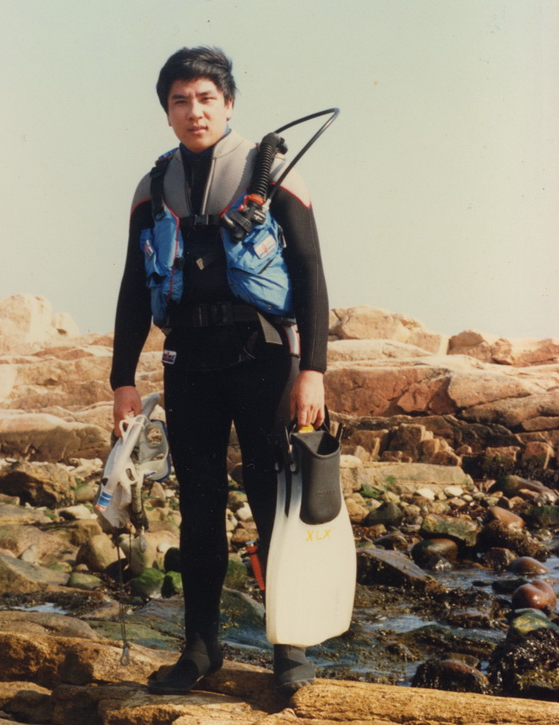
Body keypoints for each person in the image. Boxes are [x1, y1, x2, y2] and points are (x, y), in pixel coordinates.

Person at [110, 46, 329, 695]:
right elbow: (133, 288)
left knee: (272, 499)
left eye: (206, 98)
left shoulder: (273, 171)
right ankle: (201, 648)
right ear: (167, 111)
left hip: (265, 355)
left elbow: (311, 272)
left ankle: (290, 649)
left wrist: (313, 371)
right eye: (180, 100)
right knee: (199, 506)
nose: (194, 111)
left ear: (228, 104)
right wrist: (122, 379)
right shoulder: (153, 187)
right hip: (190, 361)